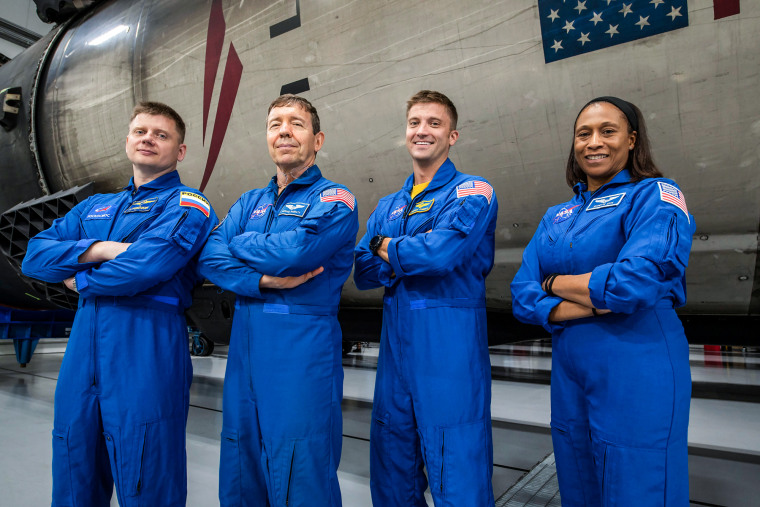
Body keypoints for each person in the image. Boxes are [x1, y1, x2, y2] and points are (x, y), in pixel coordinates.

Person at [21, 102, 217, 506]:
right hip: (83, 354)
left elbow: (146, 267)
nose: (148, 139)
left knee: (148, 472)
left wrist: (80, 276)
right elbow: (34, 256)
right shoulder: (94, 207)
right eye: (141, 131)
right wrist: (103, 248)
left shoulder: (187, 204)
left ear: (179, 152)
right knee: (75, 465)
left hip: (146, 347)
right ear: (127, 140)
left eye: (161, 135)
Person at [511, 96, 695, 506]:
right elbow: (522, 295)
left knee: (638, 486)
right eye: (584, 133)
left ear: (631, 140)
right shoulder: (556, 216)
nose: (594, 142)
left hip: (636, 361)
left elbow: (634, 284)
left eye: (607, 131)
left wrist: (553, 281)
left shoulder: (655, 195)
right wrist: (595, 300)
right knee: (579, 483)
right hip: (571, 369)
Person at [198, 94, 358, 507]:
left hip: (300, 355)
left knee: (300, 467)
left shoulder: (335, 200)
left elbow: (298, 253)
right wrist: (262, 280)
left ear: (317, 139)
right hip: (246, 354)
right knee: (241, 465)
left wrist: (242, 241)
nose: (284, 131)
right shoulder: (249, 201)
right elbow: (210, 258)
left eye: (296, 123)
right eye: (275, 124)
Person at [354, 90, 497, 506]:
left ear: (453, 136)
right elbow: (362, 270)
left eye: (435, 124)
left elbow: (440, 254)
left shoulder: (473, 192)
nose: (423, 131)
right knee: (392, 466)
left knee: (458, 469)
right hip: (396, 353)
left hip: (448, 351)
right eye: (415, 122)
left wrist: (384, 247)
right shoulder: (389, 204)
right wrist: (400, 255)